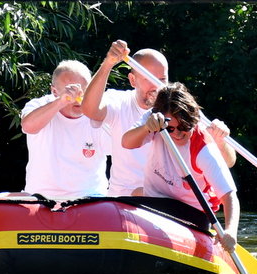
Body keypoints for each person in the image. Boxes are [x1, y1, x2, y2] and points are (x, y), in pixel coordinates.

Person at [82, 40, 236, 197]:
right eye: (148, 79)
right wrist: (109, 63)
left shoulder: (181, 111)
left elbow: (228, 162)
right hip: (125, 198)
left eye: (161, 79)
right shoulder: (119, 101)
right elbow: (89, 109)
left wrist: (220, 142)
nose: (156, 86)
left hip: (166, 199)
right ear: (133, 80)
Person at [122, 82, 239, 253]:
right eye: (171, 129)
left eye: (183, 127)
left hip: (192, 212)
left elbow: (229, 195)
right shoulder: (155, 121)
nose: (177, 134)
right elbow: (126, 142)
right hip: (156, 201)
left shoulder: (203, 148)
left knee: (135, 194)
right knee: (132, 194)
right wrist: (147, 127)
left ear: (192, 120)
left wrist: (230, 231)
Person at [21, 60, 110, 199]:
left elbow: (120, 148)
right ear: (54, 91)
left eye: (85, 90)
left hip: (91, 198)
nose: (78, 96)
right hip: (41, 198)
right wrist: (61, 101)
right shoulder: (39, 105)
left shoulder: (101, 111)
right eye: (71, 90)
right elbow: (28, 126)